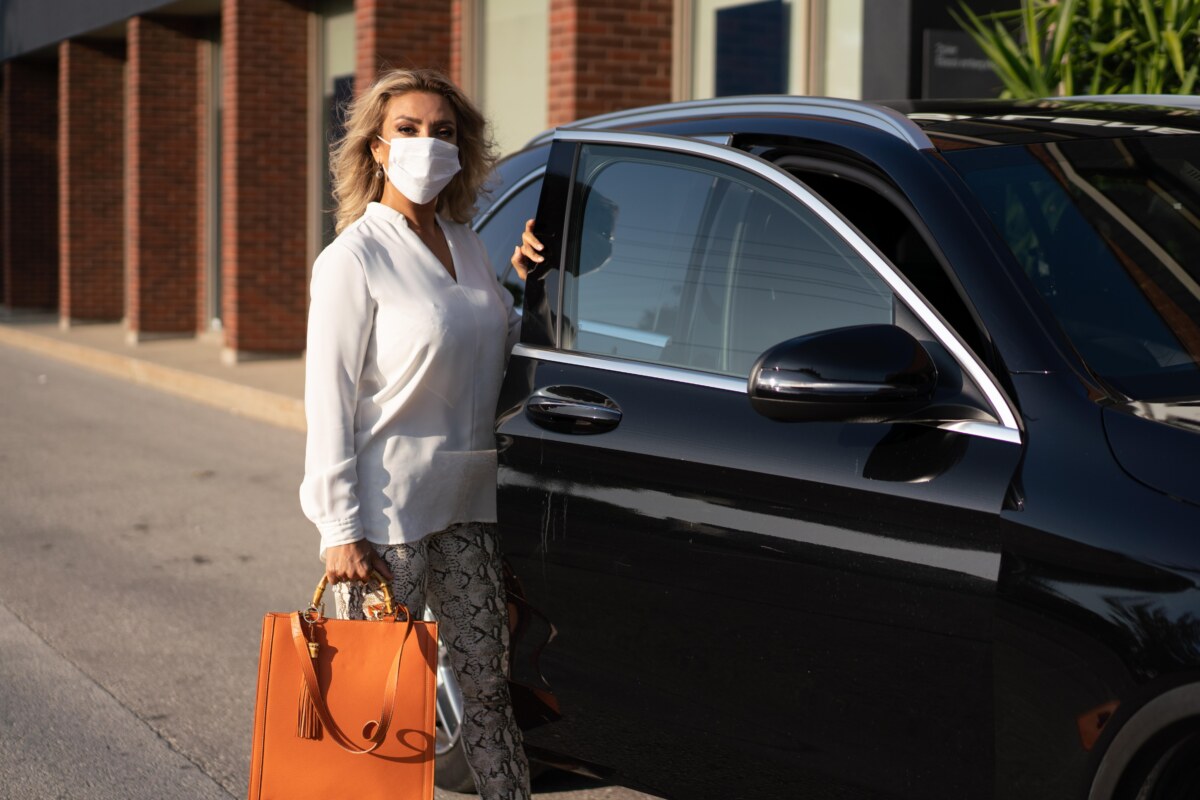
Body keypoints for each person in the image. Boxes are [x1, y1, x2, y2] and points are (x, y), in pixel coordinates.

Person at [299, 67, 542, 800]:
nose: (426, 144)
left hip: (467, 506)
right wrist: (340, 527)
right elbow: (329, 400)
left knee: (490, 698)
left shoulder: (468, 246)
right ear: (376, 147)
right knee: (383, 713)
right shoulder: (352, 259)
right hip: (386, 524)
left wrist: (523, 283)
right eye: (407, 129)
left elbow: (486, 351)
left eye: (442, 131)